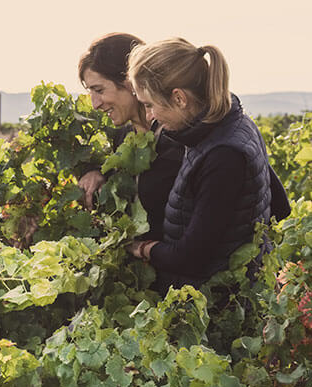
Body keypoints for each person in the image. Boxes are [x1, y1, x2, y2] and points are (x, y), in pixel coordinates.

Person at [125, 38, 290, 294]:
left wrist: (141, 248)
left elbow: (191, 258)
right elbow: (280, 206)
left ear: (179, 98)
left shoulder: (223, 156)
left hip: (218, 304)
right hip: (238, 291)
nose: (149, 116)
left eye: (150, 105)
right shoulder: (236, 125)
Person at [77, 33, 184, 241]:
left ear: (129, 83)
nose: (95, 104)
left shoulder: (176, 138)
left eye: (99, 90)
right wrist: (95, 172)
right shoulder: (123, 136)